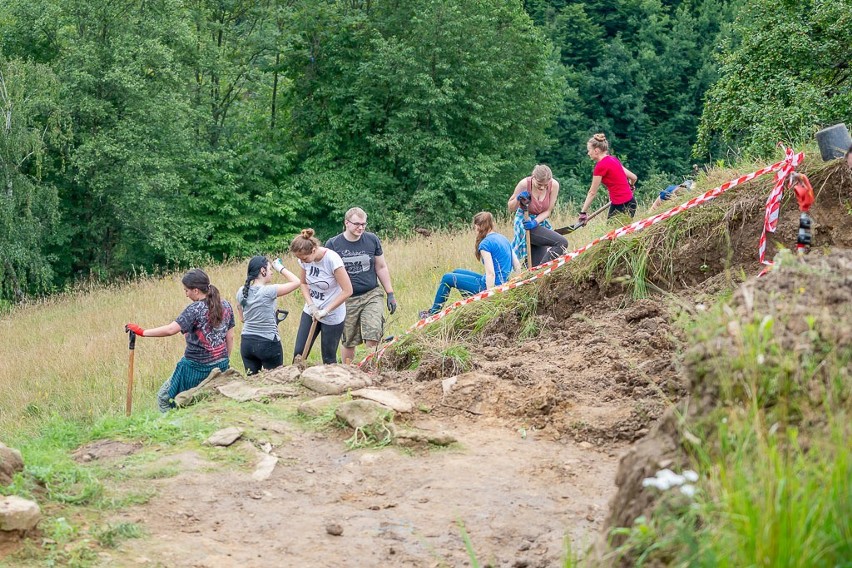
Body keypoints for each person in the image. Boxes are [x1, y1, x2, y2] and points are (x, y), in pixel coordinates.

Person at [125, 269, 235, 412]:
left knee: (164, 398)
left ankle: (172, 429)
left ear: (196, 290)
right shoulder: (225, 305)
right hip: (221, 363)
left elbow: (171, 329)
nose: (186, 294)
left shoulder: (194, 309)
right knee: (201, 399)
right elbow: (230, 336)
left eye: (186, 290)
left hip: (195, 367)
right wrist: (224, 361)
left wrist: (142, 332)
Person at [326, 207, 397, 364]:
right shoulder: (333, 244)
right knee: (349, 340)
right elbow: (328, 274)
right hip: (346, 298)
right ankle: (349, 371)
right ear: (346, 223)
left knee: (373, 332)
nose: (361, 228)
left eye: (363, 224)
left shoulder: (372, 240)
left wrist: (390, 293)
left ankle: (372, 367)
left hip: (371, 293)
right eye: (357, 224)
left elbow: (381, 267)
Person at [422, 212, 521, 316]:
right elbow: (517, 265)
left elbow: (491, 273)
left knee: (447, 278)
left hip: (489, 286)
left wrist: (490, 296)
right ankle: (472, 305)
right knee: (457, 272)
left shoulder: (486, 244)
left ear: (478, 227)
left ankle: (433, 313)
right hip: (502, 283)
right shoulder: (503, 238)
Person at [290, 229, 353, 364]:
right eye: (299, 259)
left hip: (332, 314)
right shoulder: (303, 260)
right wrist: (311, 305)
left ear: (313, 250)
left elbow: (348, 290)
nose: (303, 262)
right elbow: (303, 283)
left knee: (328, 358)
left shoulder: (332, 260)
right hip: (311, 310)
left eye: (305, 258)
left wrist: (326, 311)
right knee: (299, 353)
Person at [235, 256, 301, 375]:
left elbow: (241, 315)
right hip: (268, 343)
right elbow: (296, 282)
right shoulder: (268, 291)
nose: (271, 272)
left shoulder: (241, 291)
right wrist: (280, 267)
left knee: (251, 383)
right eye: (270, 269)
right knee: (275, 381)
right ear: (263, 270)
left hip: (247, 342)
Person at [508, 164, 569, 268]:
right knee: (562, 243)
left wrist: (535, 222)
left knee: (535, 265)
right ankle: (541, 271)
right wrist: (518, 199)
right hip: (524, 222)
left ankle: (534, 275)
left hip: (539, 223)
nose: (542, 187)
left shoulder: (554, 185)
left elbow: (548, 211)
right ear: (533, 177)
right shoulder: (524, 184)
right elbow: (510, 208)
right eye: (539, 184)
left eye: (545, 185)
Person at [578, 133, 638, 225]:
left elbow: (592, 192)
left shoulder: (600, 166)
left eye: (589, 150)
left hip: (621, 206)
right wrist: (631, 185)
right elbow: (633, 177)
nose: (588, 153)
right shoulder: (613, 159)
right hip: (631, 202)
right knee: (621, 236)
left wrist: (583, 213)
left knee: (610, 237)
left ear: (596, 150)